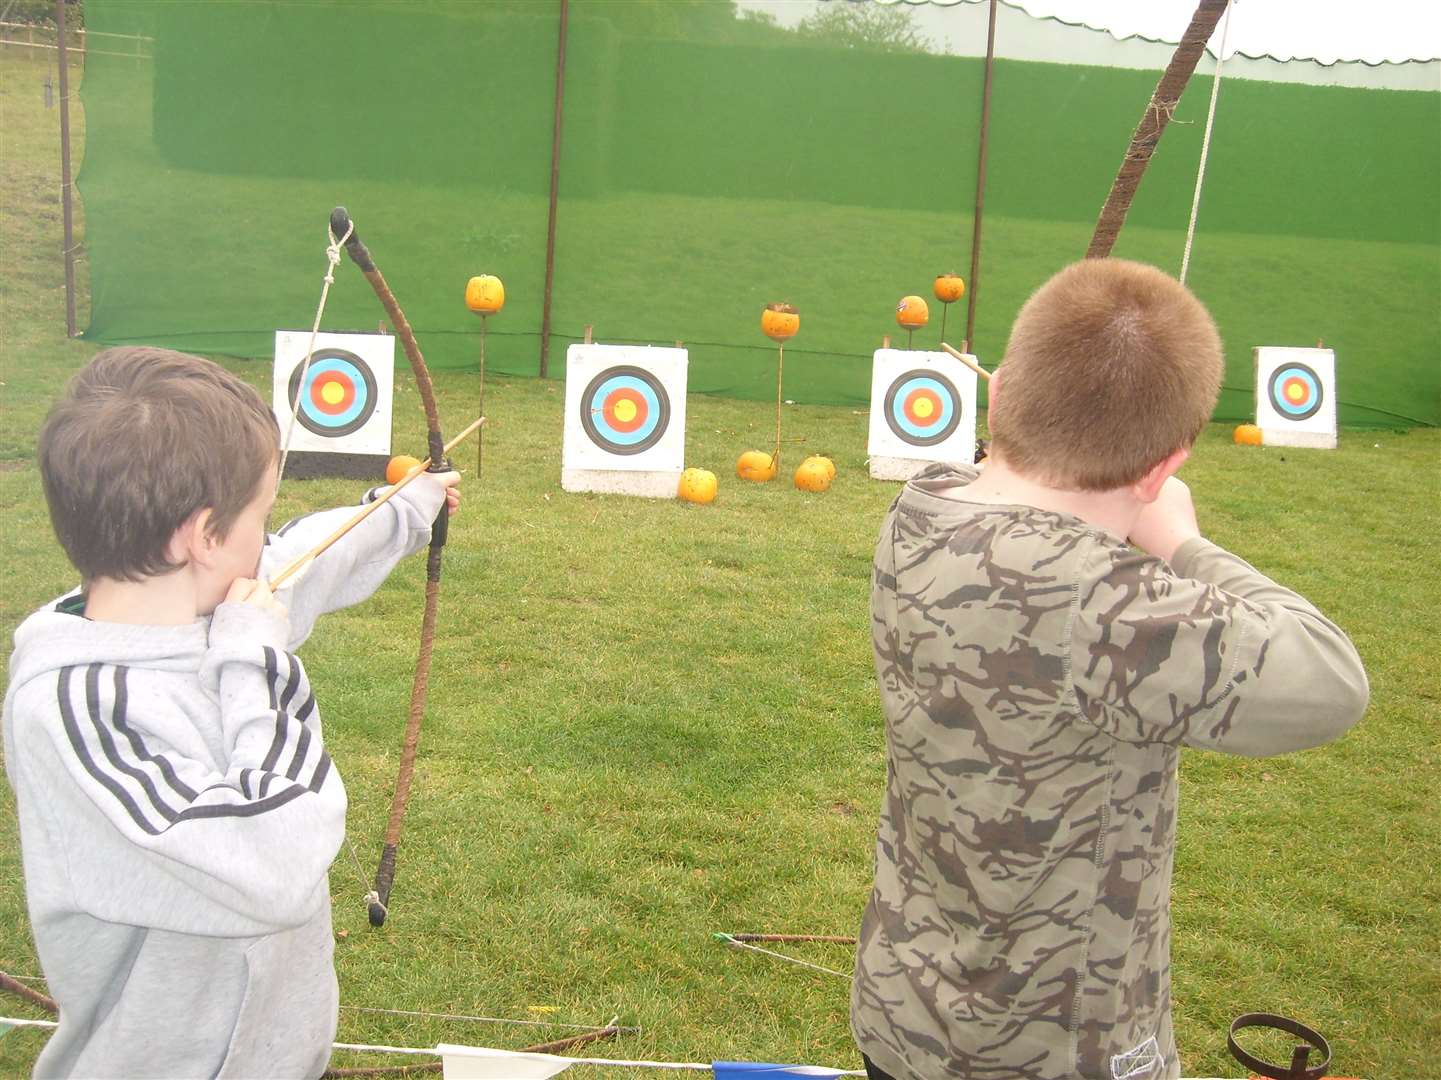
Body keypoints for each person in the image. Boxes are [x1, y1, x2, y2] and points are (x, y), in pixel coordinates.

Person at [849, 259, 1368, 1080]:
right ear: (1165, 465)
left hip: (903, 1015)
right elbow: (1330, 678)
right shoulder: (1107, 607)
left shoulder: (922, 507)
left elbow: (1007, 479)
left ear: (996, 395)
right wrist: (1179, 539)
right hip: (1054, 1054)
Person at [3, 346, 461, 1078]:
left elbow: (307, 556)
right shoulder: (77, 713)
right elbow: (274, 861)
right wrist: (256, 659)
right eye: (261, 515)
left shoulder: (207, 600)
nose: (269, 538)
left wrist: (405, 509)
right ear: (202, 536)